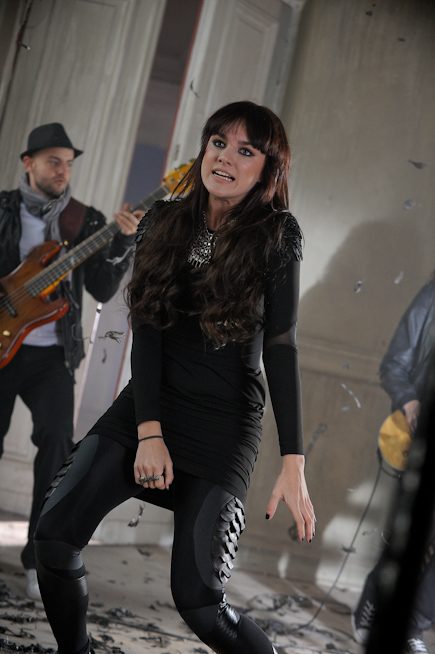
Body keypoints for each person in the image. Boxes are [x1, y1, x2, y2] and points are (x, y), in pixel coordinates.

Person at [34, 101, 316, 654]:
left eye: (245, 150)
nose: (225, 158)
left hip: (222, 426)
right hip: (150, 405)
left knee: (199, 602)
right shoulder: (163, 221)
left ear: (268, 169)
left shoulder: (277, 235)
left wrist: (294, 461)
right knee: (54, 537)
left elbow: (281, 346)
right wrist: (149, 431)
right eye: (218, 143)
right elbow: (147, 329)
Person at [0, 123, 140, 600]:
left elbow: (101, 288)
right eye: (53, 162)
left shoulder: (87, 220)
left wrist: (123, 242)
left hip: (51, 354)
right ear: (29, 163)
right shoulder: (2, 209)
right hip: (1, 350)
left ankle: (38, 559)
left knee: (59, 448)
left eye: (68, 164)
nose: (63, 171)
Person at [352, 276, 435, 654]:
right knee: (410, 536)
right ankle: (372, 605)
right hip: (419, 437)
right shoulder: (431, 297)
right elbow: (394, 365)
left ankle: (414, 623)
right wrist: (410, 402)